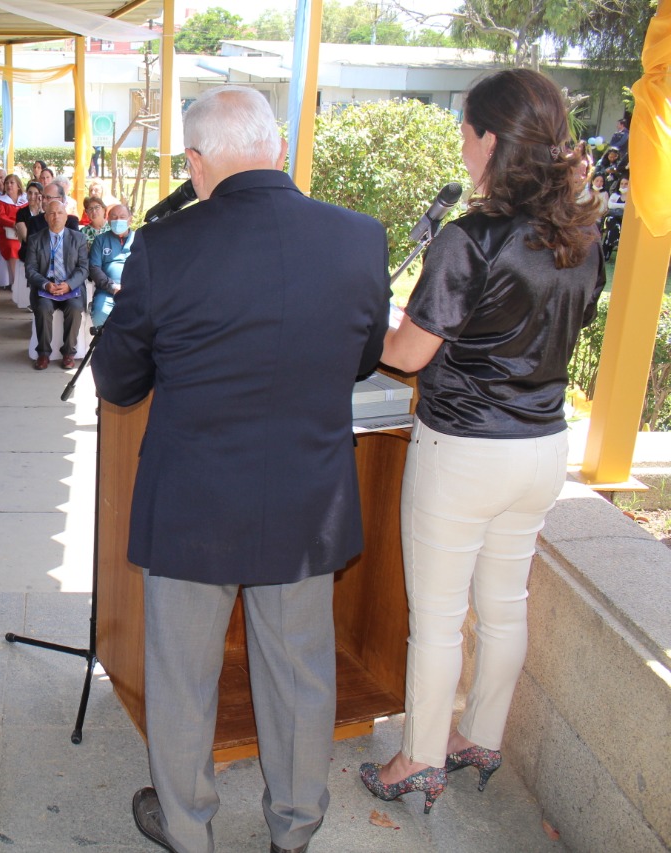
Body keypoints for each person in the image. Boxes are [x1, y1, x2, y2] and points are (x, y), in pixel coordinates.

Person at [90, 85, 390, 853]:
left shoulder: (165, 248)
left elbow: (118, 380)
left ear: (195, 163)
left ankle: (189, 831)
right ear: (278, 147)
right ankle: (295, 829)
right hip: (304, 504)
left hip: (193, 506)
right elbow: (359, 360)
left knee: (183, 678)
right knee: (300, 676)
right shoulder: (359, 239)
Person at [359, 69, 607, 817]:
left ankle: (418, 757)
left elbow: (408, 353)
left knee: (436, 616)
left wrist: (369, 320)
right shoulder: (583, 235)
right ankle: (481, 737)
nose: (462, 145)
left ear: (490, 139)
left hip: (464, 448)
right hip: (541, 449)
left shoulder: (473, 239)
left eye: (466, 130)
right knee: (504, 604)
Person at [26, 200, 88, 370]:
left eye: (60, 213)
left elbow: (83, 268)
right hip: (47, 287)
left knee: (75, 308)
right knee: (43, 308)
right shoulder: (35, 240)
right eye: (52, 213)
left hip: (70, 288)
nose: (56, 217)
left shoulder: (79, 238)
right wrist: (45, 284)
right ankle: (44, 353)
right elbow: (30, 270)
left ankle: (68, 353)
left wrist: (69, 285)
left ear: (66, 216)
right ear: (46, 217)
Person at [87, 203, 134, 328]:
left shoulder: (139, 239)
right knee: (98, 316)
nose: (118, 220)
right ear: (108, 220)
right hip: (107, 291)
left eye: (122, 216)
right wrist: (112, 287)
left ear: (130, 219)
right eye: (114, 217)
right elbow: (94, 268)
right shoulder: (100, 240)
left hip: (135, 291)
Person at [0, 174, 27, 286]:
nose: (9, 185)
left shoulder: (25, 200)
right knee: (12, 247)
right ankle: (15, 281)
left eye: (12, 182)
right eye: (7, 183)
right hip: (7, 233)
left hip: (24, 231)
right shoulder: (0, 201)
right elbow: (1, 217)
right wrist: (14, 224)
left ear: (18, 185)